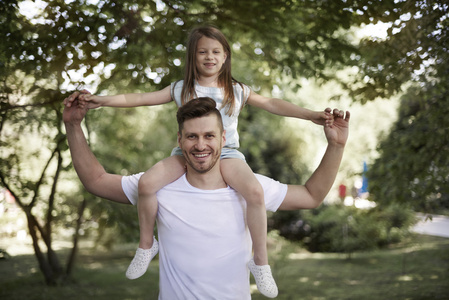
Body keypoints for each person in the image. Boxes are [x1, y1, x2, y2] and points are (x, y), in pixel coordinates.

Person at [64, 25, 334, 296]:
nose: (209, 57)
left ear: (226, 56)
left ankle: (261, 262)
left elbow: (274, 104)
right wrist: (103, 100)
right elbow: (140, 99)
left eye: (216, 51)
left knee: (254, 191)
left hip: (228, 154)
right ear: (193, 57)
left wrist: (310, 115)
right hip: (183, 156)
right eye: (202, 51)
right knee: (147, 183)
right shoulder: (182, 88)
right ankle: (146, 245)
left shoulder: (236, 90)